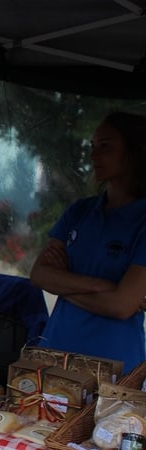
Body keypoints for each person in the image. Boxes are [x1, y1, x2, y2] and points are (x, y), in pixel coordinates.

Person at [30, 111, 146, 374]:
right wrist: (103, 286)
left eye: (105, 147)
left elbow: (121, 306)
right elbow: (38, 275)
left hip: (115, 362)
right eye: (93, 147)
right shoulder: (79, 211)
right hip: (56, 352)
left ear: (135, 152)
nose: (93, 156)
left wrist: (63, 282)